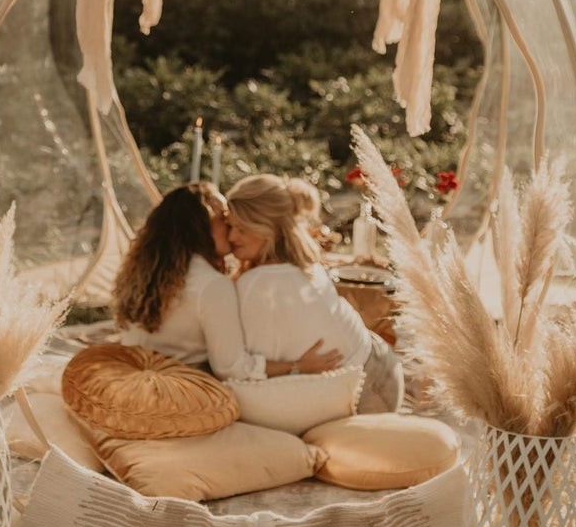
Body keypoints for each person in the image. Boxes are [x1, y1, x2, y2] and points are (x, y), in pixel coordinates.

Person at [112, 183, 340, 380]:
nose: (231, 225)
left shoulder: (156, 271)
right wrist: (298, 366)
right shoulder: (211, 284)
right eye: (223, 218)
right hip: (178, 393)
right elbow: (231, 368)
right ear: (200, 225)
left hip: (134, 380)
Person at [224, 174, 403, 411]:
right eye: (230, 226)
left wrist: (294, 367)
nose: (231, 237)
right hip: (379, 365)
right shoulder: (297, 263)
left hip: (367, 386)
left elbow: (240, 367)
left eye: (242, 229)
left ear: (268, 228)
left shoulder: (260, 282)